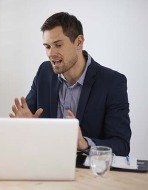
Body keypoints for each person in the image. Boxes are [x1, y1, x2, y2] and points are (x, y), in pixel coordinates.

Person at [9, 12, 131, 156]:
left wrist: (83, 143)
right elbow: (29, 118)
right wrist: (23, 126)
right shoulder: (44, 72)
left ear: (79, 42)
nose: (51, 53)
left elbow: (121, 145)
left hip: (87, 172)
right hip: (45, 163)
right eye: (47, 46)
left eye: (58, 45)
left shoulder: (112, 82)